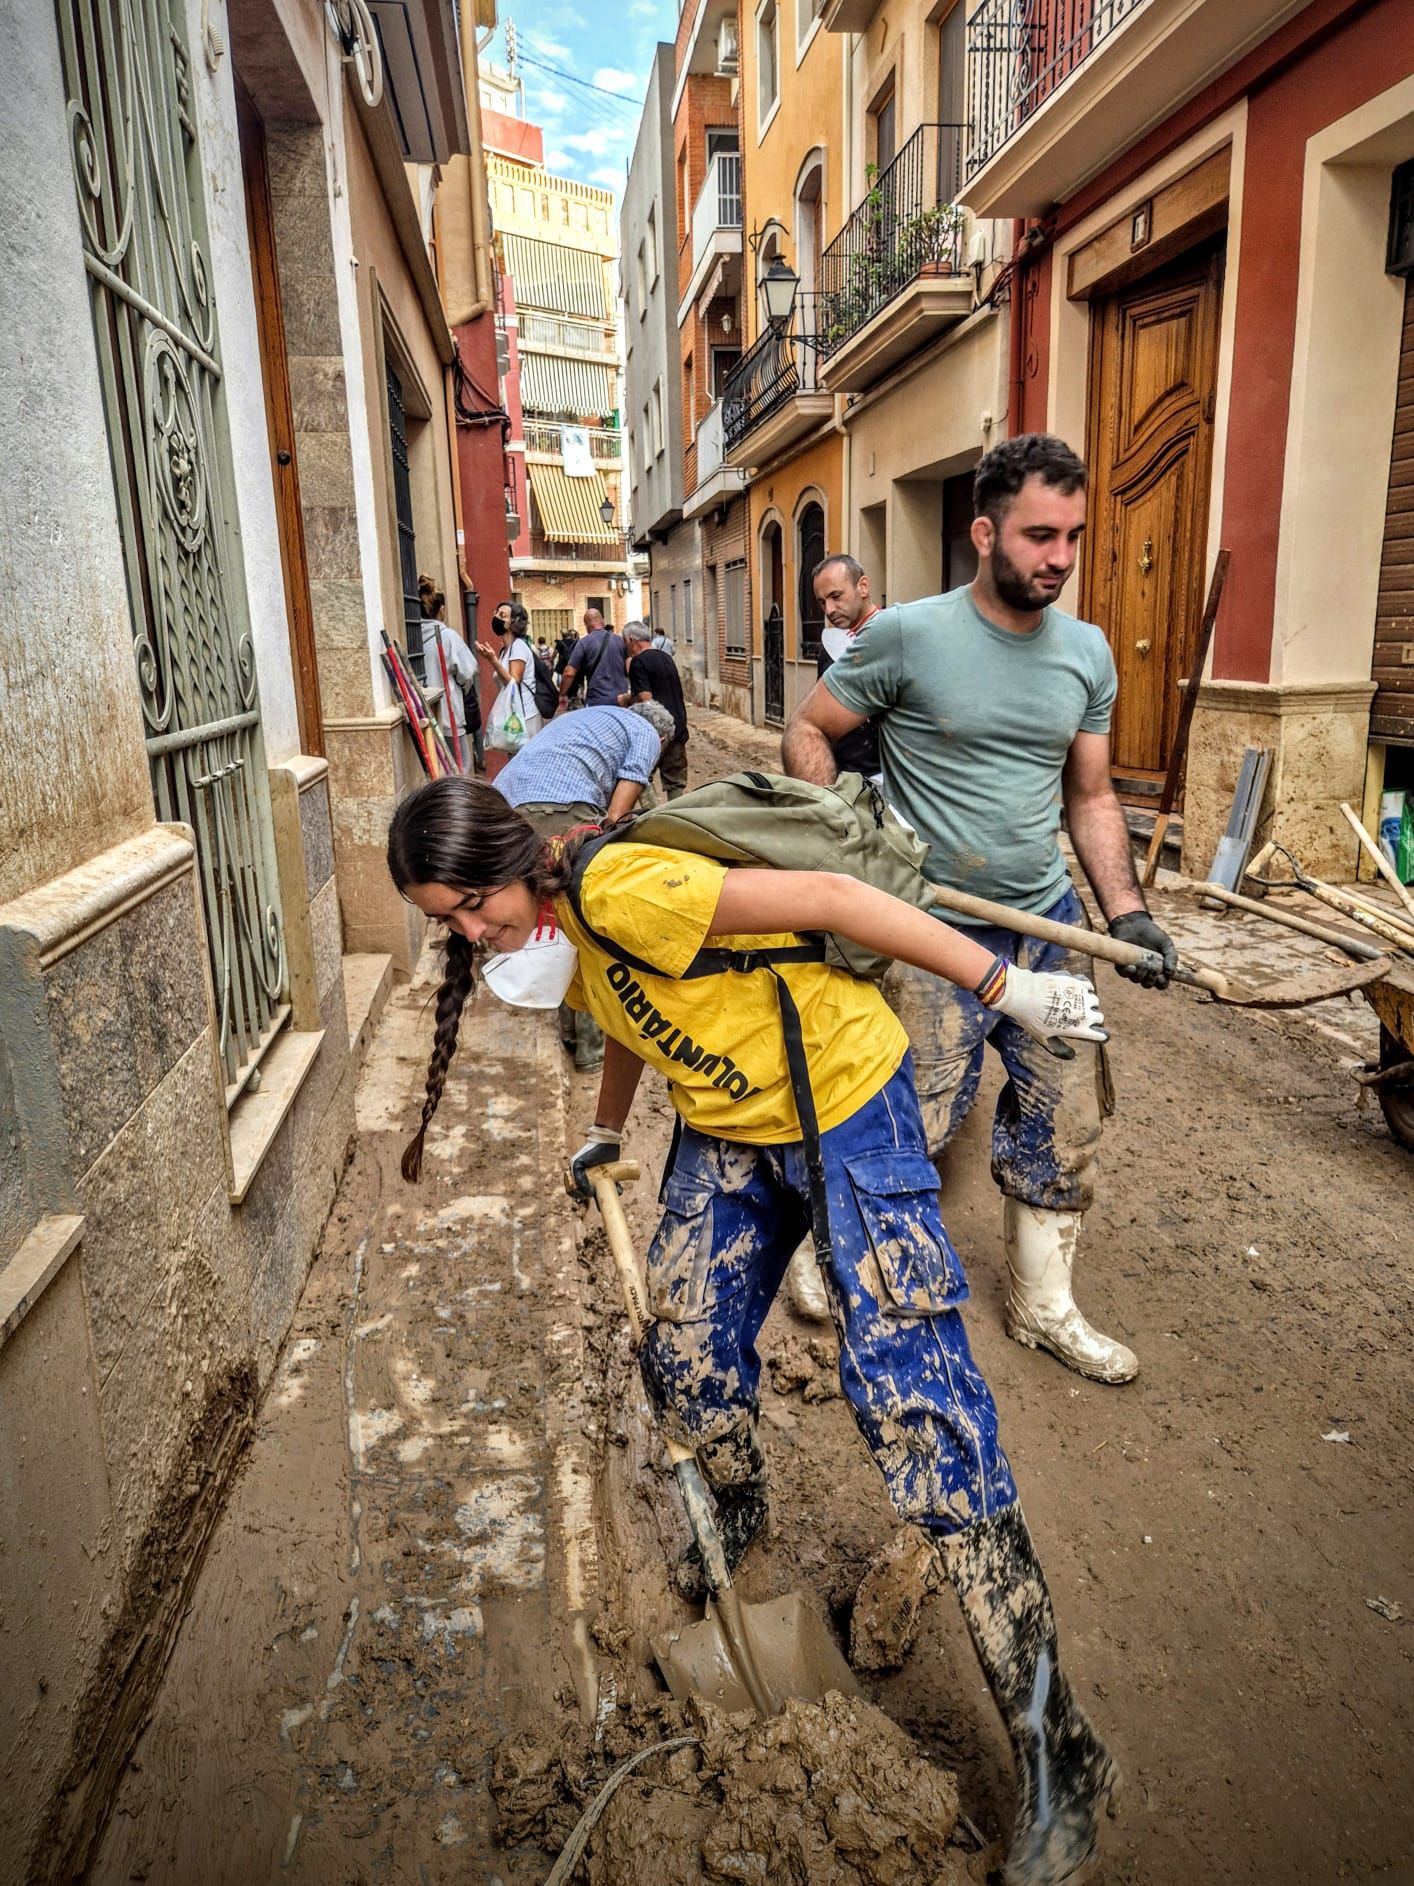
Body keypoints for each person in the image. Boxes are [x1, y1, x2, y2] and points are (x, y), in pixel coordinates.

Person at [387, 778, 1119, 1886]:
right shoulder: (563, 925)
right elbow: (635, 1005)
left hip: (841, 1099)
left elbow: (829, 892)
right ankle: (731, 1510)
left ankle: (1057, 1741)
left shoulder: (617, 882)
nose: (465, 931)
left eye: (465, 904)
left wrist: (1002, 984)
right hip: (730, 1128)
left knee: (919, 1413)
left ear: (511, 857)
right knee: (679, 1347)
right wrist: (599, 1129)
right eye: (444, 920)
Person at [783, 433, 1179, 1386]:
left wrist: (1123, 914)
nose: (1062, 558)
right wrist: (846, 833)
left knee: (1066, 1112)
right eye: (1042, 535)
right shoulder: (909, 635)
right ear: (984, 531)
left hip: (1045, 922)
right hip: (930, 924)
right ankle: (829, 1252)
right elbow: (810, 728)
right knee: (910, 1111)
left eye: (1074, 536)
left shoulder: (1085, 654)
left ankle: (1044, 1306)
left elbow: (1087, 798)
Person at [489, 700, 674, 1071]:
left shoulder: (589, 723)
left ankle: (570, 1029)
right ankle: (591, 1050)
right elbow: (618, 816)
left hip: (504, 809)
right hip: (560, 808)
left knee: (551, 917)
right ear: (663, 738)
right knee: (587, 927)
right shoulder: (644, 734)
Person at [810, 554, 880, 780]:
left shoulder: (893, 635)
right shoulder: (829, 646)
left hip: (891, 781)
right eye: (822, 602)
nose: (829, 610)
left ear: (863, 587)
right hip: (842, 780)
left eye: (836, 596)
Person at [620, 621, 689, 798]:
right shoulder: (666, 657)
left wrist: (625, 699)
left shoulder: (638, 662)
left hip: (657, 730)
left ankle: (650, 817)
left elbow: (645, 698)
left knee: (641, 775)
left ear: (631, 640)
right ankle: (676, 820)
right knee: (675, 780)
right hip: (678, 725)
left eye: (624, 642)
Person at [417, 576, 476, 770]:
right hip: (449, 714)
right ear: (441, 610)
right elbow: (467, 672)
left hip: (422, 714)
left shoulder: (412, 636)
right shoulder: (447, 636)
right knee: (460, 767)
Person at [558, 607, 628, 711]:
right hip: (621, 700)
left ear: (586, 626)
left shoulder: (584, 643)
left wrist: (562, 694)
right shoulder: (620, 641)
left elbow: (569, 672)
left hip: (597, 701)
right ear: (602, 621)